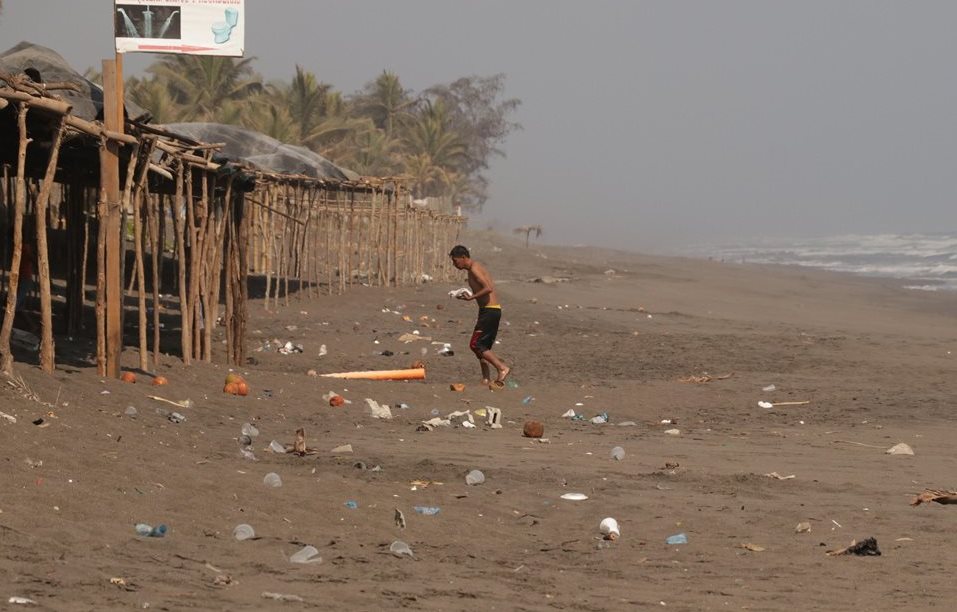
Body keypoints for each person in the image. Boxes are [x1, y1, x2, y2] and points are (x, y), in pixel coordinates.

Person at [449, 245, 511, 387]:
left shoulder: (474, 269)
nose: (454, 264)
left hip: (490, 311)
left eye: (455, 261)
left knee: (475, 344)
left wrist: (471, 297)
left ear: (463, 257)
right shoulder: (471, 270)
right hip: (487, 311)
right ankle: (486, 378)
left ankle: (502, 368)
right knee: (482, 347)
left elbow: (488, 288)